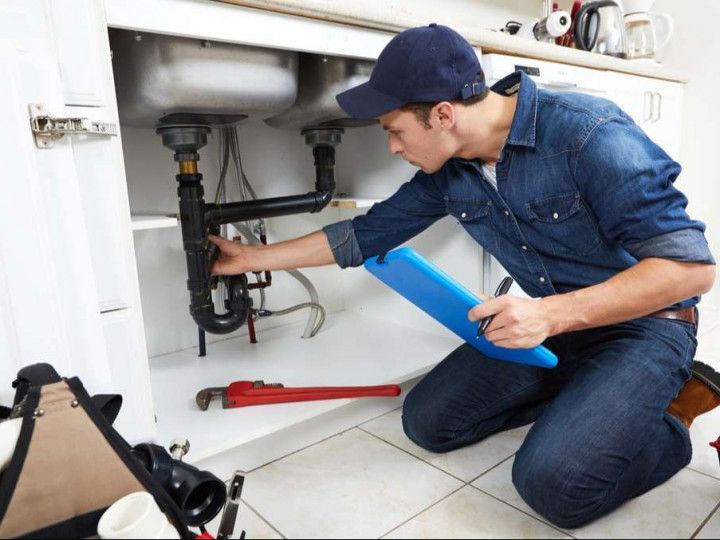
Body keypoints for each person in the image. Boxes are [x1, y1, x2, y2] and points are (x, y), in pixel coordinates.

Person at [209, 24, 720, 527]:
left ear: (443, 114)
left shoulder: (590, 135)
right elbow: (363, 235)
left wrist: (549, 314)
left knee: (554, 486)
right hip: (556, 328)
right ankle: (589, 400)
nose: (392, 146)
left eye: (394, 130)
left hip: (645, 326)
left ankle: (675, 414)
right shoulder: (452, 170)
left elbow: (690, 269)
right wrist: (250, 259)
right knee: (429, 422)